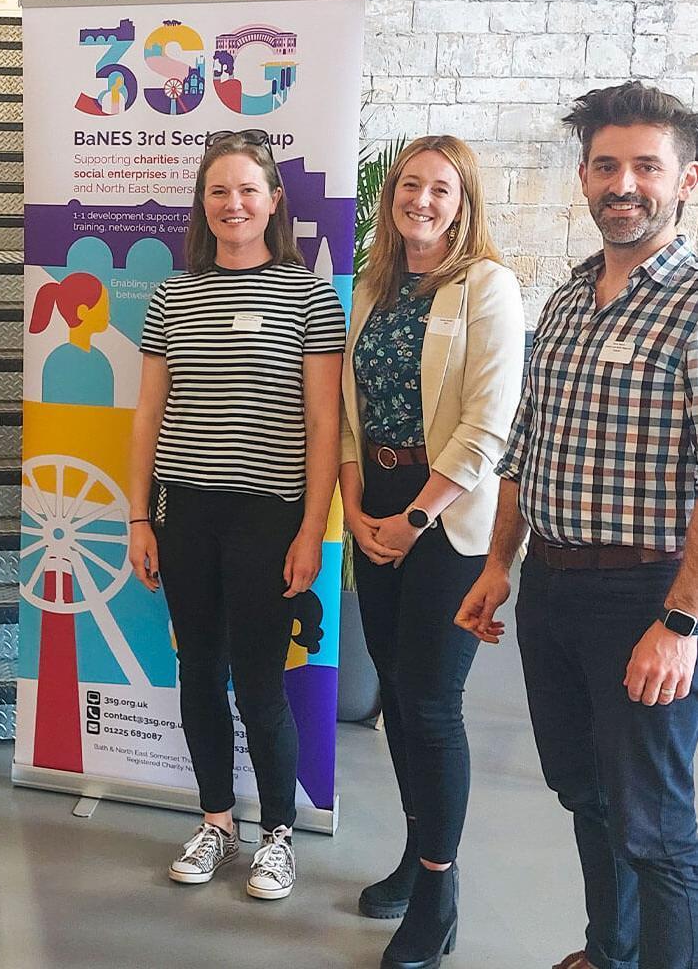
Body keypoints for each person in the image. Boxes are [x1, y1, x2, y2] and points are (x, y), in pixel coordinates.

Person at [457, 82, 698, 969]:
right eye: (605, 165)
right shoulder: (565, 299)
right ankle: (610, 951)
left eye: (645, 166)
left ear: (686, 181)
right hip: (551, 589)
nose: (622, 184)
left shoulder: (693, 305)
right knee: (583, 791)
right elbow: (527, 447)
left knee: (656, 826)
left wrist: (681, 622)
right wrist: (499, 566)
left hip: (647, 595)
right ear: (585, 177)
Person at [127, 130, 344, 901]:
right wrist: (138, 519)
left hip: (269, 517)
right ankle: (217, 823)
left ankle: (278, 834)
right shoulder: (172, 296)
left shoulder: (310, 296)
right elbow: (148, 415)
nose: (233, 203)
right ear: (203, 203)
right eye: (218, 190)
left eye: (248, 189)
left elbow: (324, 424)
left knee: (258, 682)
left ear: (274, 200)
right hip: (184, 513)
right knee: (199, 672)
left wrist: (312, 530)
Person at [339, 135, 524, 967]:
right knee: (397, 698)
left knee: (433, 701)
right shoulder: (372, 288)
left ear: (463, 203)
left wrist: (413, 517)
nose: (420, 199)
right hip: (375, 503)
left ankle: (439, 896)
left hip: (445, 519)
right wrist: (354, 506)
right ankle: (419, 858)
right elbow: (350, 415)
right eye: (409, 184)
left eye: (440, 188)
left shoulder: (487, 286)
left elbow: (488, 426)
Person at [31, 271, 115, 406]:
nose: (109, 316)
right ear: (82, 312)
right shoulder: (58, 360)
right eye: (105, 308)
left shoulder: (100, 360)